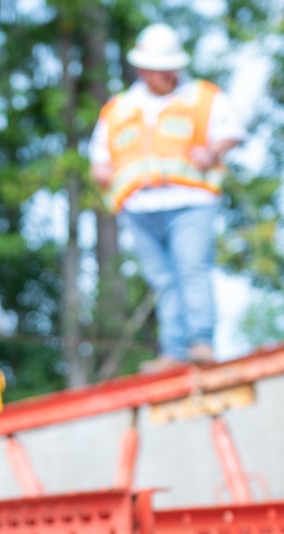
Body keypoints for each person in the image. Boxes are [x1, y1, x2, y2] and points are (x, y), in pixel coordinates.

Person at [89, 23, 245, 365]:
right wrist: (104, 174)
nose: (169, 75)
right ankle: (174, 352)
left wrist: (214, 151)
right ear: (143, 69)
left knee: (192, 269)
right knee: (162, 279)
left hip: (190, 201)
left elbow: (232, 130)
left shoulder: (201, 96)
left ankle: (200, 343)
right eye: (161, 70)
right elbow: (98, 159)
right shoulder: (119, 108)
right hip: (140, 207)